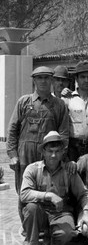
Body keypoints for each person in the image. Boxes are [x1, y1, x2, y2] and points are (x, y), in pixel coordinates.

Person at [20, 131, 88, 245]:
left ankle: (50, 235)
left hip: (61, 212)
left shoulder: (69, 170)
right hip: (40, 211)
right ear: (43, 151)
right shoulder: (32, 169)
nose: (53, 155)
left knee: (67, 234)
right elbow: (24, 194)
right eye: (50, 151)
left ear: (62, 153)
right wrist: (48, 195)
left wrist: (87, 212)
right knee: (31, 207)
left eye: (57, 151)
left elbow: (84, 194)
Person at [7, 66, 70, 201]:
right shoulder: (23, 102)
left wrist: (60, 155)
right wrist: (12, 155)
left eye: (46, 78)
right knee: (24, 192)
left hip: (49, 156)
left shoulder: (59, 105)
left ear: (51, 80)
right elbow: (13, 129)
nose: (43, 81)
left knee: (48, 190)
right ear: (34, 81)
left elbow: (64, 134)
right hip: (25, 155)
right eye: (39, 78)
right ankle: (26, 221)